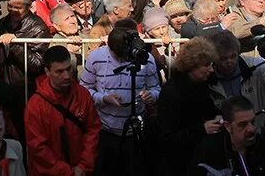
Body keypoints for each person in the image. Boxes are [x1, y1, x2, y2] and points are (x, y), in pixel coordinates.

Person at [79, 19, 160, 176]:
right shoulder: (96, 58)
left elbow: (156, 88)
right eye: (119, 56)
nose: (124, 60)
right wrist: (104, 98)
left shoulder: (145, 58)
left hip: (136, 132)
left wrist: (151, 96)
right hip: (105, 132)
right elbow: (83, 90)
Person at [24, 45, 101, 176]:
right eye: (59, 71)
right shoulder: (35, 105)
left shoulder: (82, 94)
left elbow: (93, 130)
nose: (66, 76)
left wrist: (84, 166)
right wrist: (68, 172)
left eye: (68, 69)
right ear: (47, 72)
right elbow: (37, 147)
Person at [156, 37, 222, 175]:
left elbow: (208, 109)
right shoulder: (172, 92)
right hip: (177, 162)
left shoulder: (200, 85)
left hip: (198, 156)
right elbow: (168, 135)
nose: (211, 70)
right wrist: (202, 129)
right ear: (192, 65)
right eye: (206, 65)